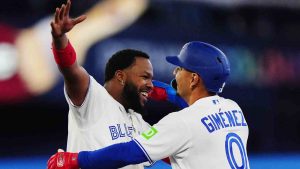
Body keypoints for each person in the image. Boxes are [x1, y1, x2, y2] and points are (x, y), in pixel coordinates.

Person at [47, 41, 250, 169]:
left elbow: (129, 153)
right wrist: (171, 95)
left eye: (180, 68)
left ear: (194, 78)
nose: (174, 73)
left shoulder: (180, 123)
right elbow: (194, 132)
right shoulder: (234, 109)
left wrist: (74, 160)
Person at [48, 0, 186, 169]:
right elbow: (71, 70)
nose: (151, 85)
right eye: (145, 77)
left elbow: (179, 155)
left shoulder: (138, 123)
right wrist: (60, 39)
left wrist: (175, 96)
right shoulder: (93, 98)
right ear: (120, 76)